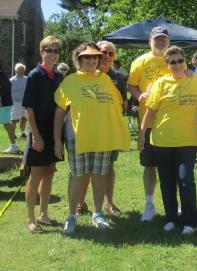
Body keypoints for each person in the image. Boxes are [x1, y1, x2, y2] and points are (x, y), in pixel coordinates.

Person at [53, 42, 130, 235]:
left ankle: (97, 213)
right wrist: (56, 140)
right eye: (86, 57)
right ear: (79, 60)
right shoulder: (70, 80)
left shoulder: (105, 80)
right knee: (77, 177)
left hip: (102, 138)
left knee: (99, 176)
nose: (91, 60)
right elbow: (60, 112)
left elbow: (118, 105)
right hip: (77, 138)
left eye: (95, 57)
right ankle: (71, 216)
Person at [138, 46, 197, 234]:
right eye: (172, 62)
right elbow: (150, 111)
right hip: (162, 140)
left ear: (185, 61)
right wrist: (142, 134)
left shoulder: (196, 80)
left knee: (185, 180)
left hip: (187, 141)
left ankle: (190, 221)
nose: (177, 65)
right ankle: (171, 218)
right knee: (167, 181)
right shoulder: (160, 83)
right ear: (167, 65)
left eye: (180, 61)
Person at [75, 40, 128, 216]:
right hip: (88, 129)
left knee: (108, 167)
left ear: (114, 57)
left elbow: (124, 104)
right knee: (87, 169)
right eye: (103, 52)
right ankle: (80, 203)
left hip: (110, 129)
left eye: (110, 54)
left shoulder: (118, 77)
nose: (106, 56)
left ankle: (109, 203)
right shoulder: (87, 72)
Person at [127, 26, 170, 222]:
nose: (161, 43)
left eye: (164, 40)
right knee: (149, 166)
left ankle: (173, 205)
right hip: (148, 121)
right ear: (149, 42)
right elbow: (131, 85)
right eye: (157, 40)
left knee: (171, 166)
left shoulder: (175, 58)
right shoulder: (140, 61)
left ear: (168, 42)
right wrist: (139, 96)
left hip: (171, 122)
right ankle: (149, 205)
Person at [22, 36, 64, 233]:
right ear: (42, 52)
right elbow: (28, 109)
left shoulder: (58, 77)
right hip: (38, 130)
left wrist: (57, 138)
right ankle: (30, 218)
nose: (53, 54)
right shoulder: (34, 75)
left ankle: (43, 214)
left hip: (54, 130)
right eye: (49, 50)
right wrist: (36, 136)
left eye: (56, 51)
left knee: (49, 173)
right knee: (36, 175)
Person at [0, 63, 17, 154]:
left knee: (6, 123)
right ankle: (14, 145)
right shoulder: (3, 75)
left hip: (3, 104)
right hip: (5, 103)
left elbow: (3, 89)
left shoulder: (2, 76)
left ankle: (14, 146)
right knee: (7, 123)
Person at [10, 63, 28, 141]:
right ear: (16, 70)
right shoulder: (12, 80)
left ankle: (22, 133)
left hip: (25, 102)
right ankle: (12, 134)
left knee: (24, 118)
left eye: (23, 70)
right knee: (14, 119)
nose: (22, 71)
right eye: (20, 70)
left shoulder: (27, 79)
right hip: (15, 102)